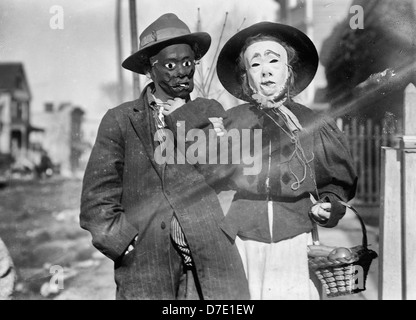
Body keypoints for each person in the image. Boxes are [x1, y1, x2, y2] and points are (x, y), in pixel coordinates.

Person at [80, 13, 249, 300]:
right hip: (146, 263)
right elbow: (97, 198)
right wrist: (123, 243)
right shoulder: (120, 120)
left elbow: (228, 170)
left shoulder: (210, 111)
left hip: (209, 259)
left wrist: (184, 116)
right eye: (171, 65)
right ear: (149, 69)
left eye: (188, 63)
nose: (182, 72)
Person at [194, 21, 358, 300]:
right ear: (246, 77)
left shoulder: (314, 124)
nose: (266, 70)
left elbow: (336, 184)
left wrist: (329, 205)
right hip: (242, 243)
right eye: (255, 65)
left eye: (274, 60)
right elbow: (206, 181)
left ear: (289, 70)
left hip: (295, 242)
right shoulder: (230, 124)